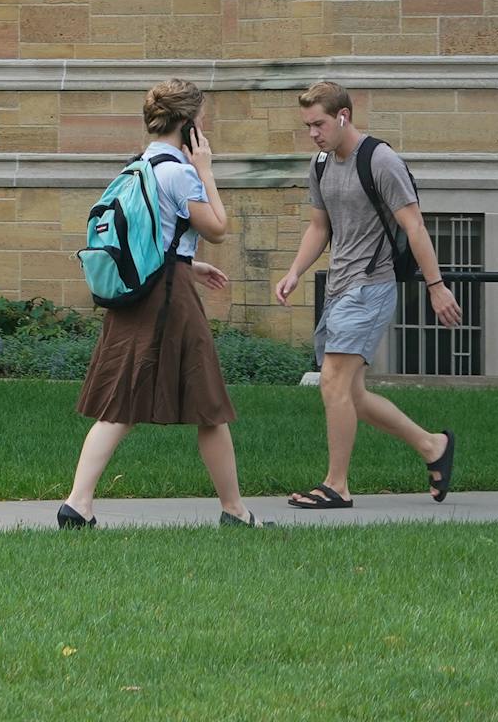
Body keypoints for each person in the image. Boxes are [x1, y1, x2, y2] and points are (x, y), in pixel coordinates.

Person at [59, 79, 261, 528]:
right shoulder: (180, 171)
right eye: (200, 120)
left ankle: (77, 503)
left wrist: (190, 266)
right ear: (188, 124)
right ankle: (234, 510)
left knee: (121, 403)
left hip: (142, 290)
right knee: (208, 406)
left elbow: (159, 234)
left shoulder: (140, 165)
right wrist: (206, 169)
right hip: (170, 300)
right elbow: (218, 228)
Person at [273, 81, 461, 509]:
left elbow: (414, 225)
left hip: (371, 286)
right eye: (307, 125)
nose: (313, 133)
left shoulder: (380, 159)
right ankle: (433, 446)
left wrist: (436, 286)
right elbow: (320, 226)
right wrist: (295, 271)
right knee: (352, 396)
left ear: (343, 116)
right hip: (339, 288)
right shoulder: (320, 163)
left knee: (334, 382)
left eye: (318, 123)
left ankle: (336, 485)